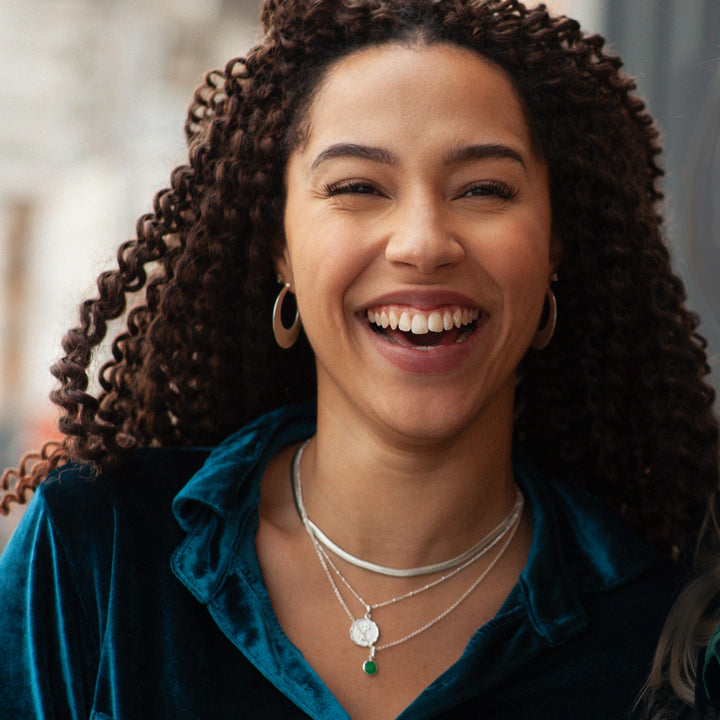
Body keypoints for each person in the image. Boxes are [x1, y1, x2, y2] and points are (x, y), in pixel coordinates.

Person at [0, 1, 717, 718]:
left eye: (484, 189)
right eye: (357, 188)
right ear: (278, 244)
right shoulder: (99, 551)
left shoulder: (666, 640)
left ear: (556, 243)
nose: (423, 241)